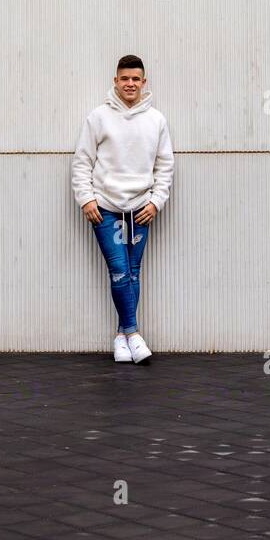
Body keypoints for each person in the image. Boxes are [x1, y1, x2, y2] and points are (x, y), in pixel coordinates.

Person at [72, 55, 174, 363]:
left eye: (136, 79)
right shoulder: (99, 117)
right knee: (119, 271)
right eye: (124, 79)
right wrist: (86, 198)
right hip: (105, 208)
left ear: (144, 83)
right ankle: (133, 332)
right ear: (115, 81)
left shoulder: (156, 120)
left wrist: (156, 201)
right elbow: (82, 161)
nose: (130, 84)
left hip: (141, 208)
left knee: (132, 271)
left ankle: (122, 337)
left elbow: (165, 166)